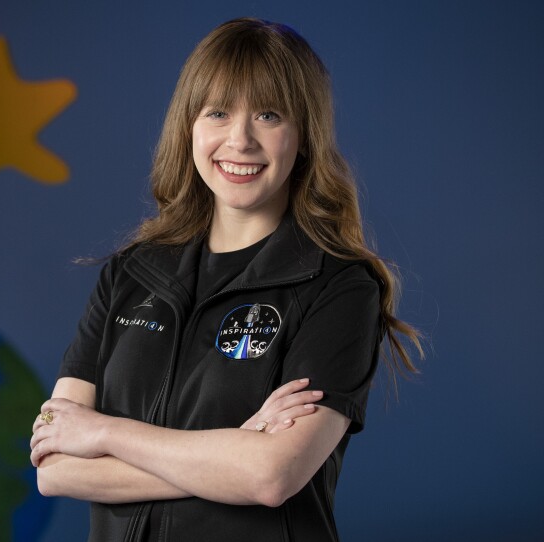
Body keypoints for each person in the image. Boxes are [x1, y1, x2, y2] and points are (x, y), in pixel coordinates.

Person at [30, 17, 421, 542]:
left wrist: (103, 432)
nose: (240, 140)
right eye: (218, 112)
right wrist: (234, 449)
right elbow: (54, 468)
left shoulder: (341, 287)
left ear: (303, 136)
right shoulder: (132, 271)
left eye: (268, 115)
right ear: (189, 125)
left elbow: (269, 475)